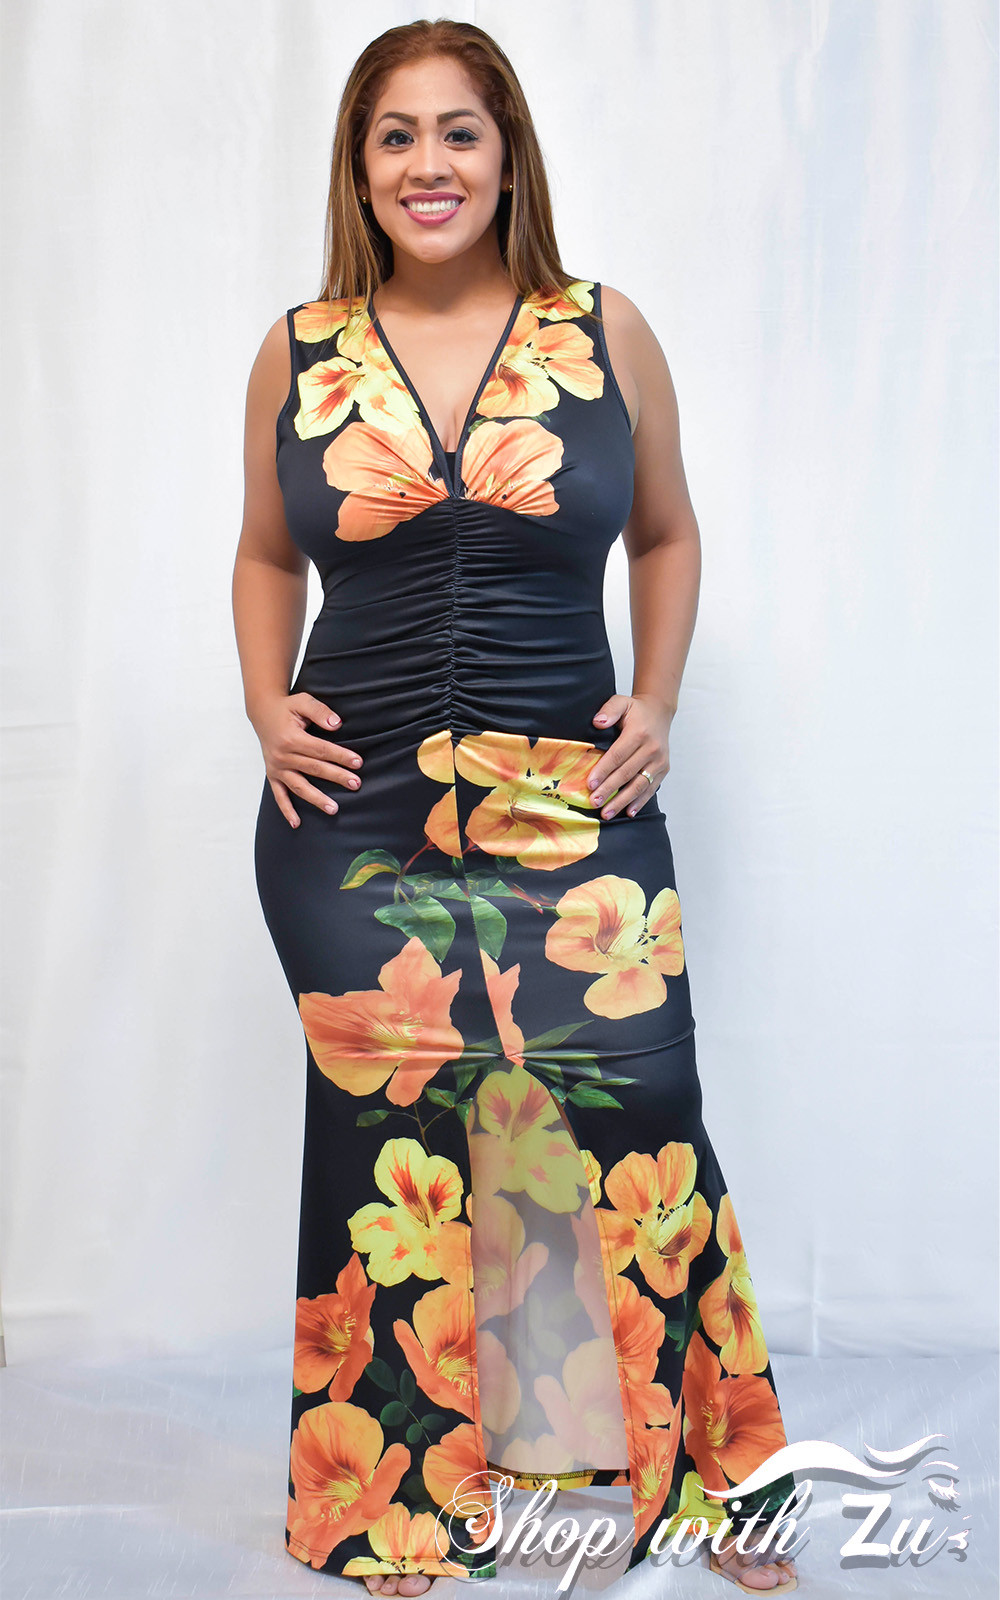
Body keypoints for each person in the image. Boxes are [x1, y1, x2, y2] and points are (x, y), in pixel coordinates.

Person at [233, 17, 800, 1597]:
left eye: (459, 131)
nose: (429, 163)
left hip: (575, 804)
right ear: (360, 167)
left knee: (644, 1116)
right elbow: (266, 552)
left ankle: (718, 1491)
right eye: (396, 135)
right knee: (390, 1139)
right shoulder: (301, 347)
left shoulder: (603, 331)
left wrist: (658, 701)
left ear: (507, 156)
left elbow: (668, 533)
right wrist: (266, 704)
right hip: (353, 818)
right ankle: (391, 1507)